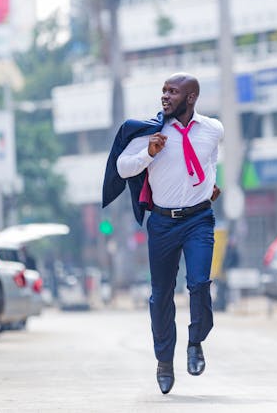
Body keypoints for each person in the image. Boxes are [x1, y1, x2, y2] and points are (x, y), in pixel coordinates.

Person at [102, 72, 223, 394]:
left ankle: (195, 341)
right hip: (163, 223)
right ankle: (164, 361)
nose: (165, 97)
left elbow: (210, 160)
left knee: (199, 284)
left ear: (191, 97)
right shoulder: (150, 132)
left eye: (173, 92)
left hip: (199, 219)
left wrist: (209, 186)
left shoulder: (213, 129)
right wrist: (149, 154)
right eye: (164, 91)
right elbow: (122, 168)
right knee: (161, 296)